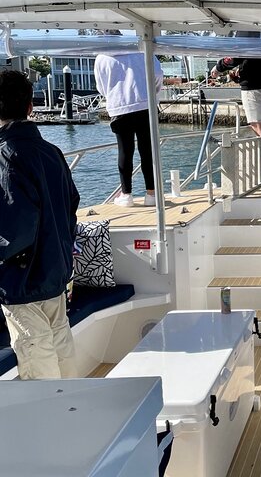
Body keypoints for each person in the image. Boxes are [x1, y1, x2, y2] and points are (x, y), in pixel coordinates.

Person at [0, 70, 80, 379]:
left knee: (38, 360)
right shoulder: (51, 152)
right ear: (30, 107)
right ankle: (73, 416)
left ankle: (55, 423)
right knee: (61, 348)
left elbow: (15, 229)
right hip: (54, 270)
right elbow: (70, 206)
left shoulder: (6, 156)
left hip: (23, 280)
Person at [94, 52, 163, 207]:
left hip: (119, 106)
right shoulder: (143, 50)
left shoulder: (102, 57)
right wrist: (153, 91)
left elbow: (101, 85)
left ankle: (126, 195)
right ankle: (151, 194)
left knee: (125, 151)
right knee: (148, 150)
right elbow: (158, 73)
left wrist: (113, 94)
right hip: (146, 104)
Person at [211, 57, 261, 185]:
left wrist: (218, 67)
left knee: (260, 128)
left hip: (253, 87)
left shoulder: (250, 36)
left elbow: (233, 58)